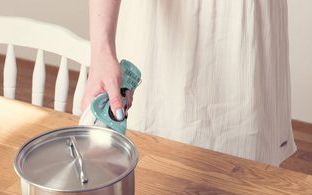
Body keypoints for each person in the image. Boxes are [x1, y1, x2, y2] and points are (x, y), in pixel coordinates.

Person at [82, 0, 296, 166]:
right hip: (160, 31)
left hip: (244, 28)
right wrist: (101, 52)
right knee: (143, 165)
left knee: (246, 173)